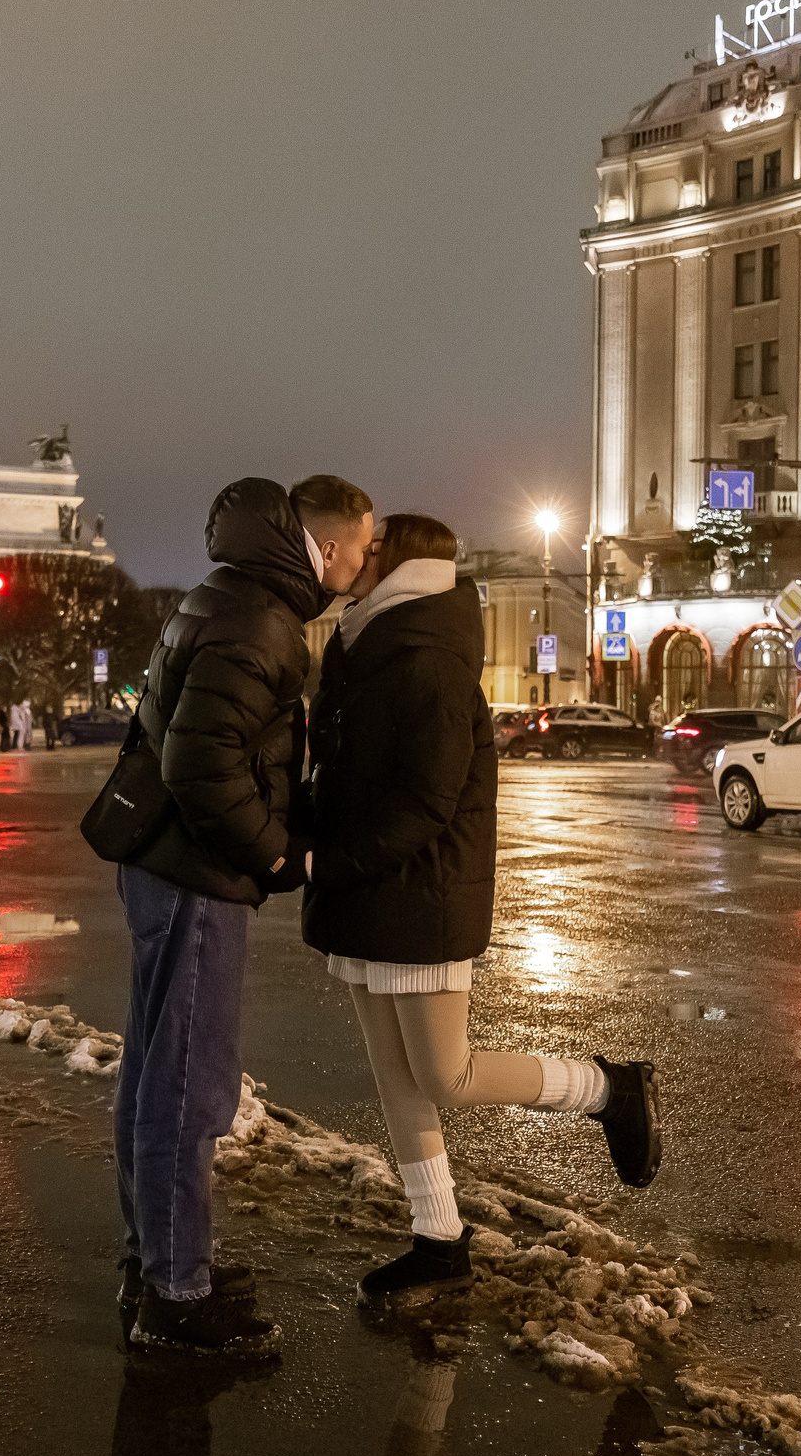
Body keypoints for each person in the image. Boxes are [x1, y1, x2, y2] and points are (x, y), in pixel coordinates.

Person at [305, 512, 661, 1303]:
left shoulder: (428, 661)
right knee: (396, 1075)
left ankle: (607, 1088)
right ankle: (438, 1237)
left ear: (400, 564)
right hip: (368, 892)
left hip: (420, 892)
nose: (357, 553)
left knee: (447, 1073)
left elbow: (426, 806)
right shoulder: (364, 646)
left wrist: (323, 859)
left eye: (373, 545)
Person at [97, 473, 374, 1358]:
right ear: (327, 547)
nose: (365, 565)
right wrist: (276, 852)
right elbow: (202, 762)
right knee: (189, 1083)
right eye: (363, 548)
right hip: (197, 871)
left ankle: (154, 1260)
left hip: (163, 863)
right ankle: (177, 1294)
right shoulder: (262, 619)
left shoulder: (225, 593)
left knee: (154, 1071)